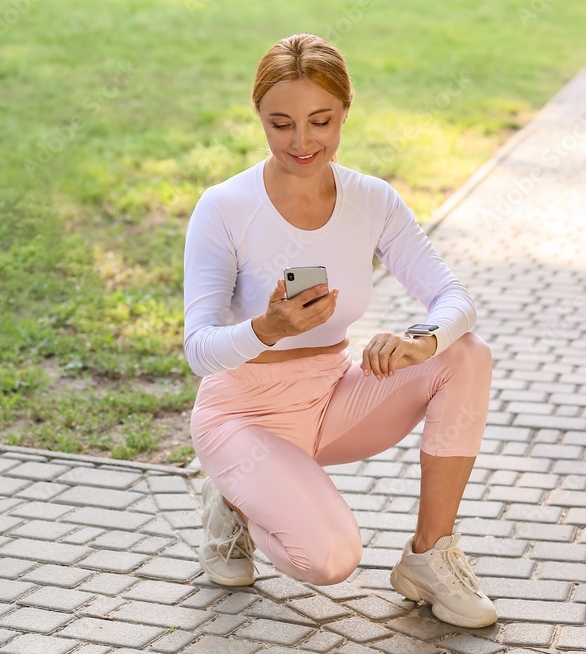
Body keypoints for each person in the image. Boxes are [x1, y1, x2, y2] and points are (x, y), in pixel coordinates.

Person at [183, 32, 497, 629]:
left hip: (333, 399)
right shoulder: (223, 206)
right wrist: (266, 328)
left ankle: (430, 557)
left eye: (321, 121)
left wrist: (422, 338)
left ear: (346, 111)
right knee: (330, 559)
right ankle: (234, 500)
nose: (303, 142)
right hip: (242, 413)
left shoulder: (372, 199)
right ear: (259, 118)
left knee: (466, 355)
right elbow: (198, 351)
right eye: (281, 124)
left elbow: (454, 297)